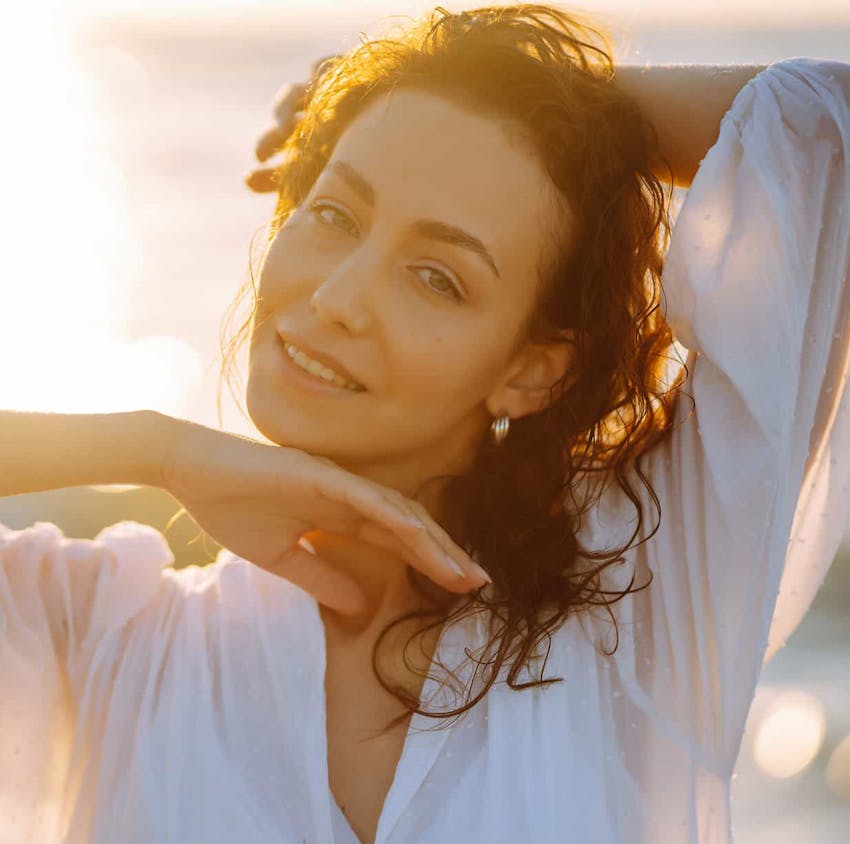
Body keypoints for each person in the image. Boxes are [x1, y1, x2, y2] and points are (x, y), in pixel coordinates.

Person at [1, 4, 849, 843]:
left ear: (531, 369)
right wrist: (155, 449)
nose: (335, 301)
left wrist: (547, 108)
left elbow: (831, 132)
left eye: (437, 277)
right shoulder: (105, 634)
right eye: (335, 216)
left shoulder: (647, 593)